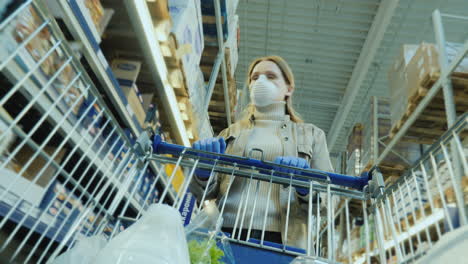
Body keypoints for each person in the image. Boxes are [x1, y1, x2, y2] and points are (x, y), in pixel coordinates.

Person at [190, 55, 334, 249]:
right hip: (225, 232)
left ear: (289, 89)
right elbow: (206, 194)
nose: (261, 81)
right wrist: (204, 173)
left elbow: (329, 198)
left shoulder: (311, 135)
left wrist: (304, 186)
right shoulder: (230, 133)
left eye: (270, 76)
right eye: (255, 77)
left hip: (282, 241)